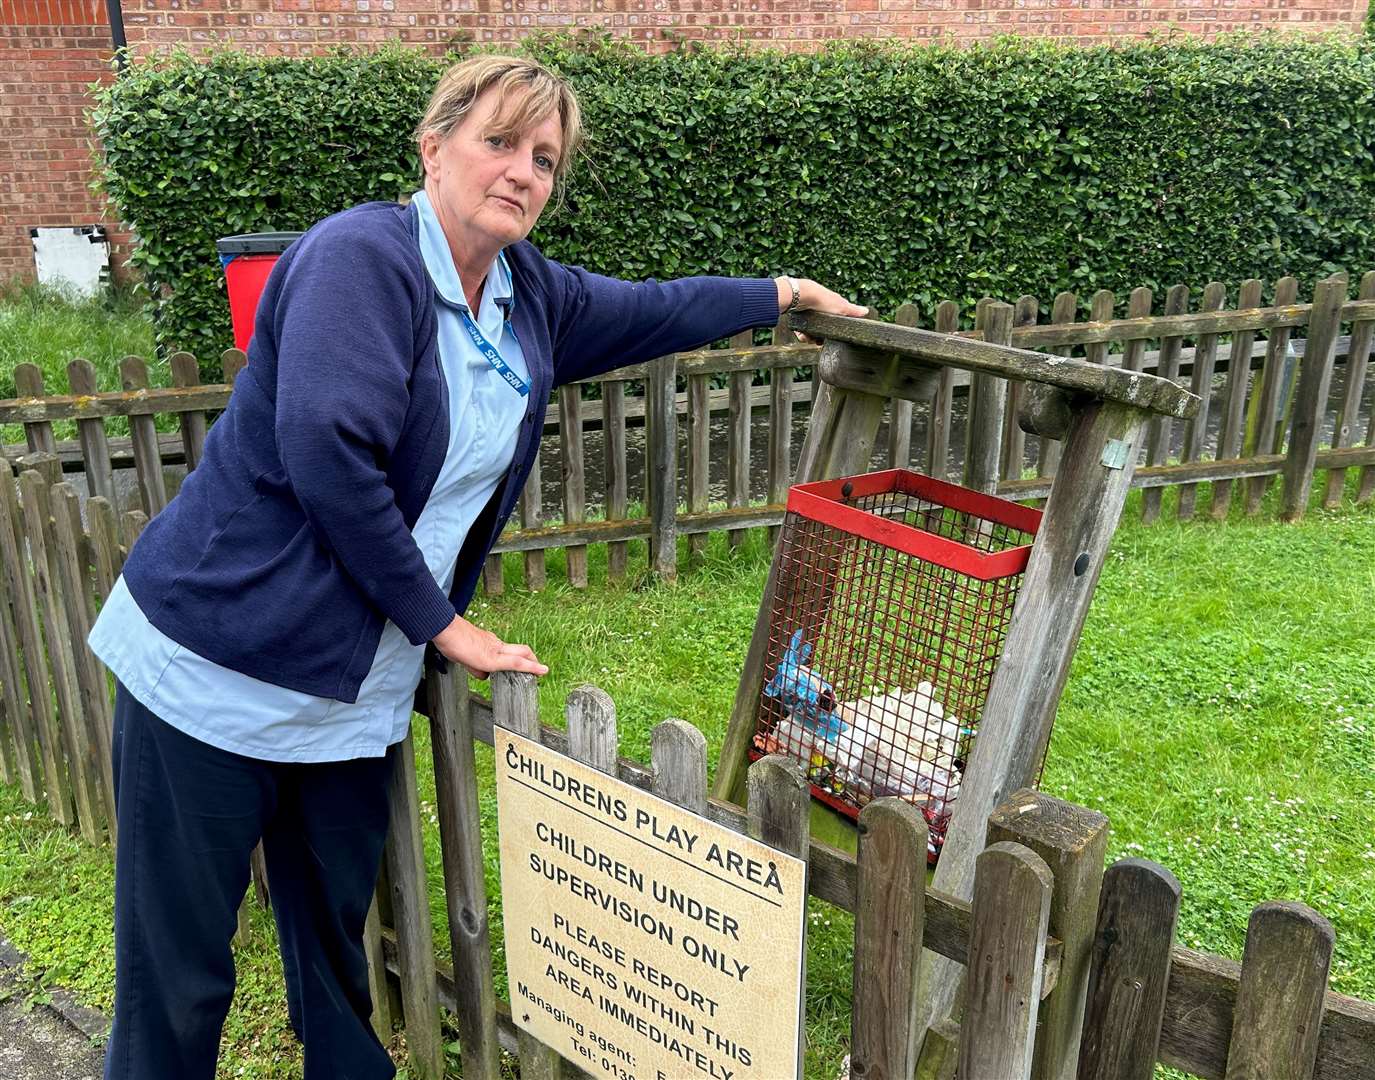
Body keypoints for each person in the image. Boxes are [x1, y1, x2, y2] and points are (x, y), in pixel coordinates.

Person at [88, 53, 866, 1080]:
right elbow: (328, 448)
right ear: (434, 146)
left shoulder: (523, 295)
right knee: (179, 978)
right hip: (212, 665)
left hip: (346, 693)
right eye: (499, 142)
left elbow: (649, 309)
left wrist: (777, 292)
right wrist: (444, 626)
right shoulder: (361, 259)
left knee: (334, 958)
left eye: (543, 159)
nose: (522, 173)